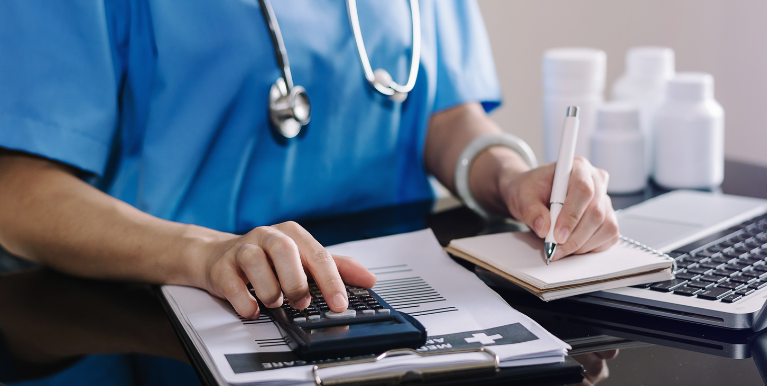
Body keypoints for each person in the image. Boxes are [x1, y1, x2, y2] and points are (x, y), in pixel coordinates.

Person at [0, 0, 618, 319]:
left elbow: (439, 110)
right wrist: (205, 253)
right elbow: (19, 190)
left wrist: (511, 179)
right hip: (165, 307)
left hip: (389, 299)